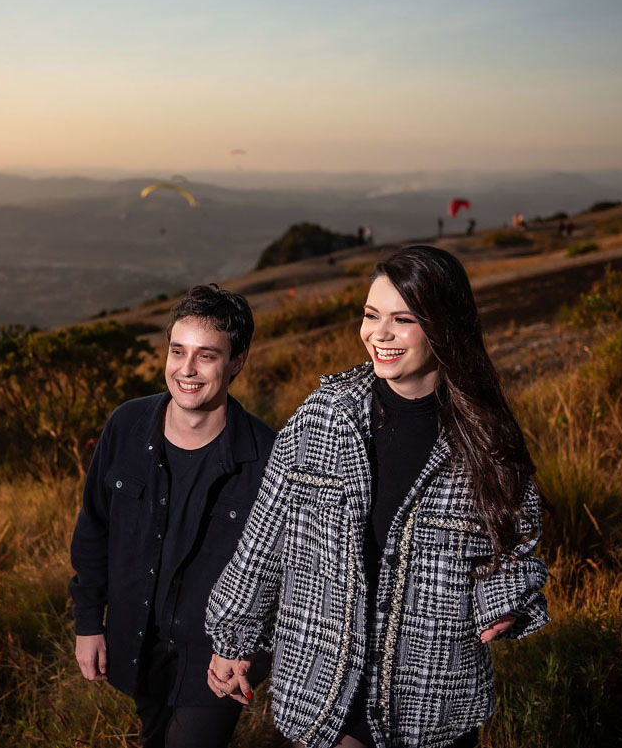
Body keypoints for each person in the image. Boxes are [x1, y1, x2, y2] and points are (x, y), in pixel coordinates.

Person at [205, 246, 548, 748]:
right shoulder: (324, 415)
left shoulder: (484, 435)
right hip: (323, 680)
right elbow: (265, 536)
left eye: (402, 319)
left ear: (443, 326)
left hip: (431, 693)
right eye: (371, 315)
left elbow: (515, 537)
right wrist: (234, 637)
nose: (379, 334)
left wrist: (504, 600)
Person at [69, 284, 276, 748]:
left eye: (206, 356)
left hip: (217, 657)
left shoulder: (268, 457)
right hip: (137, 642)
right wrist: (88, 622)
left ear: (237, 362)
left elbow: (287, 573)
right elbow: (93, 530)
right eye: (177, 351)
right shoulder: (126, 426)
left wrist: (250, 655)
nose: (186, 370)